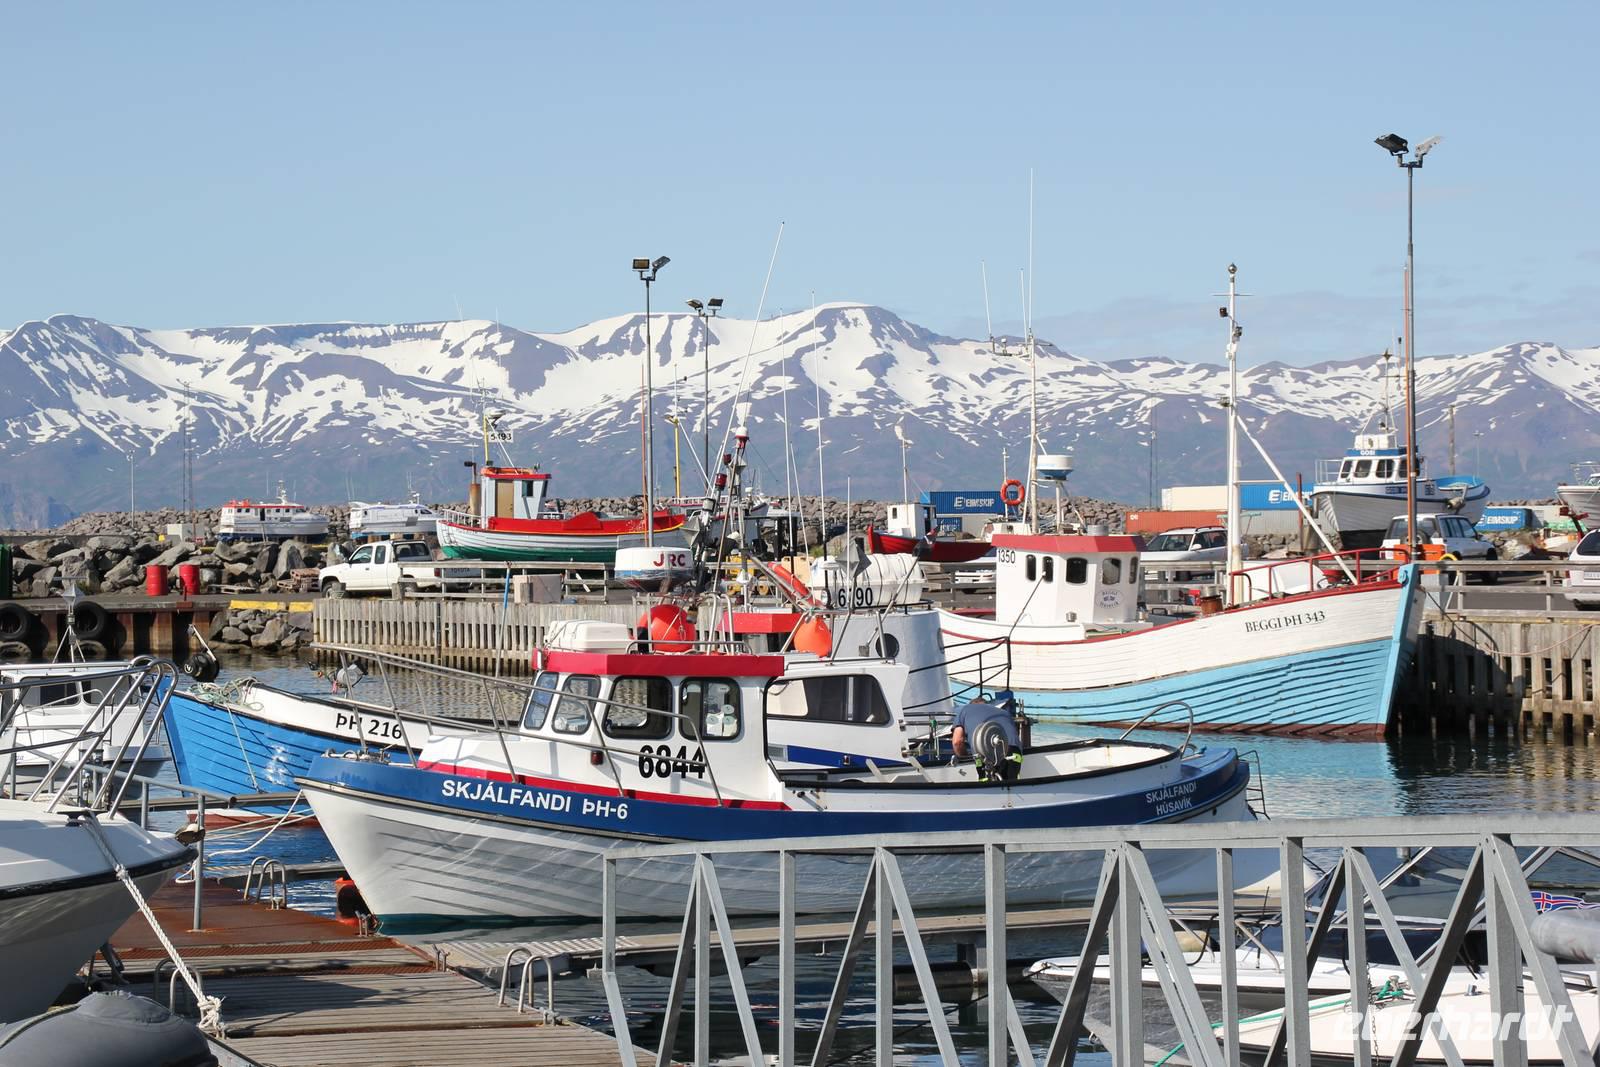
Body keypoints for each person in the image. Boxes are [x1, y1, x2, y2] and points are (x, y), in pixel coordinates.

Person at [950, 692, 1023, 779]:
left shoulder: (965, 710)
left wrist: (965, 758)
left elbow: (957, 742)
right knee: (1011, 787)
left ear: (972, 705)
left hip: (985, 755)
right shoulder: (1004, 713)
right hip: (1014, 753)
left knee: (987, 787)